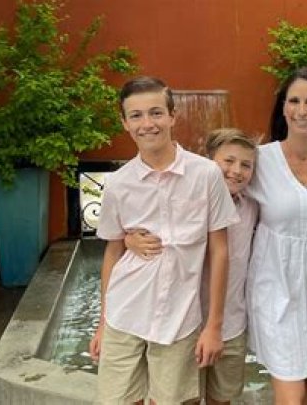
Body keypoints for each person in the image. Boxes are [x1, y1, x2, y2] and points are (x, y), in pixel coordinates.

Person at [89, 76, 239, 404]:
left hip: (179, 319)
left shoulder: (206, 175)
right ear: (125, 123)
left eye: (156, 113)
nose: (148, 124)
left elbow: (220, 251)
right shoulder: (118, 184)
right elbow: (112, 253)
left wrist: (214, 325)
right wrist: (103, 323)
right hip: (124, 314)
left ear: (172, 116)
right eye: (136, 115)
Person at [125, 128, 259, 405]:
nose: (236, 171)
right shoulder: (186, 202)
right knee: (175, 398)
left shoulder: (251, 207)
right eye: (228, 161)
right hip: (183, 325)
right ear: (209, 163)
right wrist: (129, 240)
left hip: (231, 323)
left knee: (222, 398)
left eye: (246, 165)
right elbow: (143, 224)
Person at [245, 66, 307, 404]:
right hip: (275, 286)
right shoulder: (260, 160)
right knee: (290, 394)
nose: (302, 110)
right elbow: (224, 208)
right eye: (294, 101)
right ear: (283, 107)